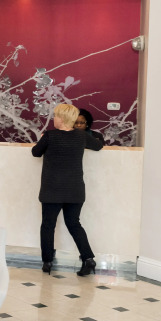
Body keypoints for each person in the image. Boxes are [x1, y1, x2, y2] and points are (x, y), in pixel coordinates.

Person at [31, 103, 104, 276]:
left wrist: (42, 139)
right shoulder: (81, 136)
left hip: (52, 190)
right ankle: (88, 259)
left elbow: (35, 152)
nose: (54, 119)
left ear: (62, 119)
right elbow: (98, 145)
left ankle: (47, 262)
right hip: (75, 190)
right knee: (74, 224)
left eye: (56, 116)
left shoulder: (49, 136)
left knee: (48, 225)